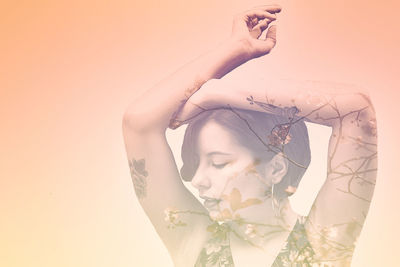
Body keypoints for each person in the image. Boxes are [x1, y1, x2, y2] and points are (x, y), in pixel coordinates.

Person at [122, 4, 377, 267]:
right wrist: (235, 50)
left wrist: (221, 93)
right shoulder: (195, 241)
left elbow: (355, 109)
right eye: (197, 163)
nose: (197, 180)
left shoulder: (321, 242)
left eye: (218, 163)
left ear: (277, 168)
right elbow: (138, 124)